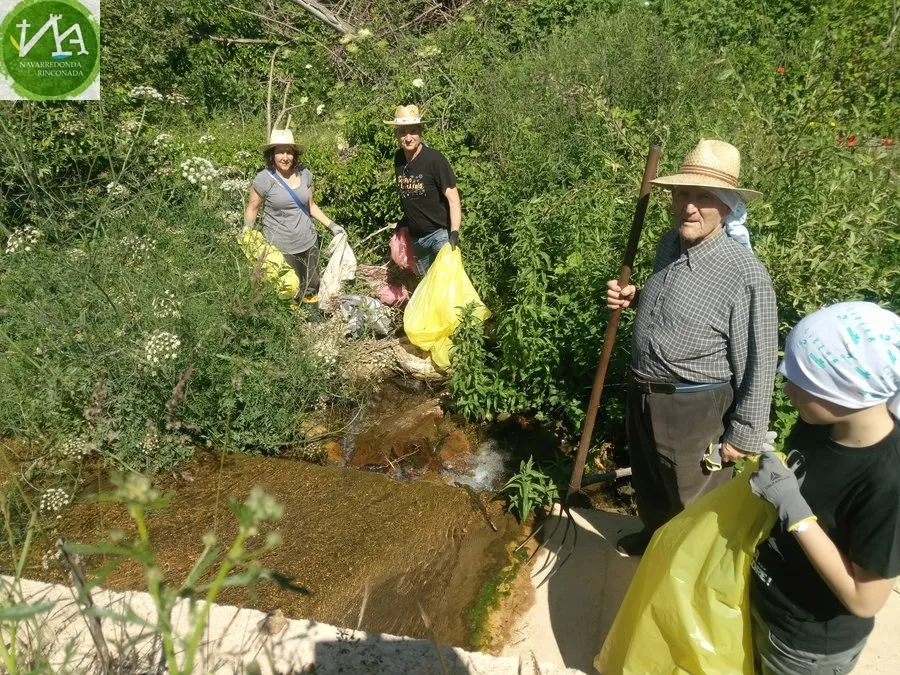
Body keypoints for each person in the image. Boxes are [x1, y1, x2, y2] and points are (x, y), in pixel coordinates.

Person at [607, 139, 778, 556]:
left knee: (695, 500)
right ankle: (654, 541)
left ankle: (686, 577)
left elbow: (760, 360)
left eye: (704, 197)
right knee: (649, 484)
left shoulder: (744, 274)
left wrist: (744, 434)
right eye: (683, 194)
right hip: (643, 394)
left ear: (727, 206)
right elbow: (676, 305)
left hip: (695, 410)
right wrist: (636, 299)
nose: (689, 206)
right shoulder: (670, 244)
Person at [748, 301, 900, 674]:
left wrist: (795, 511)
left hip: (805, 645)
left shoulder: (888, 481)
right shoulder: (818, 427)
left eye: (801, 383)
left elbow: (865, 600)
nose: (786, 390)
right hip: (768, 602)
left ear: (845, 390)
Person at [244, 128, 343, 303]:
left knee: (311, 282)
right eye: (280, 152)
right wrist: (247, 232)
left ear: (294, 154)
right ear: (272, 155)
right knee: (288, 286)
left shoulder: (305, 174)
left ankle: (312, 313)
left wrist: (332, 226)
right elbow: (253, 208)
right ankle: (292, 321)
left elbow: (311, 206)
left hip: (308, 241)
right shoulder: (264, 179)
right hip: (280, 246)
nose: (285, 157)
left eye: (289, 152)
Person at [383, 104, 462, 275]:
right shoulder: (398, 159)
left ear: (421, 131)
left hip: (440, 235)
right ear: (396, 134)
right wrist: (404, 223)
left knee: (446, 285)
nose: (408, 137)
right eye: (403, 132)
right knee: (427, 287)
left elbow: (453, 198)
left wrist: (454, 232)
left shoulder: (435, 159)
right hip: (417, 239)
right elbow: (409, 196)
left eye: (413, 131)